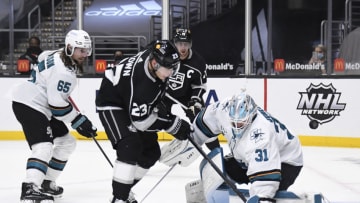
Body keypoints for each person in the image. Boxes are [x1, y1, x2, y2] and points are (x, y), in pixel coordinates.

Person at [95, 40, 192, 203]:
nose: (171, 72)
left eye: (174, 67)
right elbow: (140, 121)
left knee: (150, 153)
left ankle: (124, 190)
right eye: (168, 68)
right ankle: (120, 198)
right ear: (154, 64)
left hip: (129, 97)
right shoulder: (142, 84)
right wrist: (171, 124)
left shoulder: (155, 59)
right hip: (112, 101)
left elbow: (157, 46)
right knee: (129, 146)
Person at [12, 29, 97, 203]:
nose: (85, 54)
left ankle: (46, 182)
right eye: (81, 50)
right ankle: (30, 188)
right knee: (43, 146)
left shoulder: (55, 54)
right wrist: (79, 121)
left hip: (40, 104)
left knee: (67, 143)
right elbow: (57, 107)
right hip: (30, 104)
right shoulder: (64, 73)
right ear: (69, 48)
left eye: (87, 50)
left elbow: (42, 57)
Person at [191, 92, 303, 202]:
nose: (236, 127)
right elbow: (205, 120)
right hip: (250, 156)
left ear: (251, 116)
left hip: (286, 161)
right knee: (219, 170)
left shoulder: (261, 134)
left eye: (240, 123)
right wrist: (190, 137)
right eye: (233, 123)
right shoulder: (223, 109)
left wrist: (261, 197)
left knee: (269, 192)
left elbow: (265, 179)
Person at [166, 28, 220, 150]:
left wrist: (194, 100)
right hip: (166, 93)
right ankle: (144, 149)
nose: (183, 48)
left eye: (186, 44)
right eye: (180, 44)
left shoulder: (198, 62)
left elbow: (200, 85)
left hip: (187, 95)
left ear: (190, 44)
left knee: (204, 122)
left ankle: (217, 152)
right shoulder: (166, 55)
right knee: (155, 116)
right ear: (175, 43)